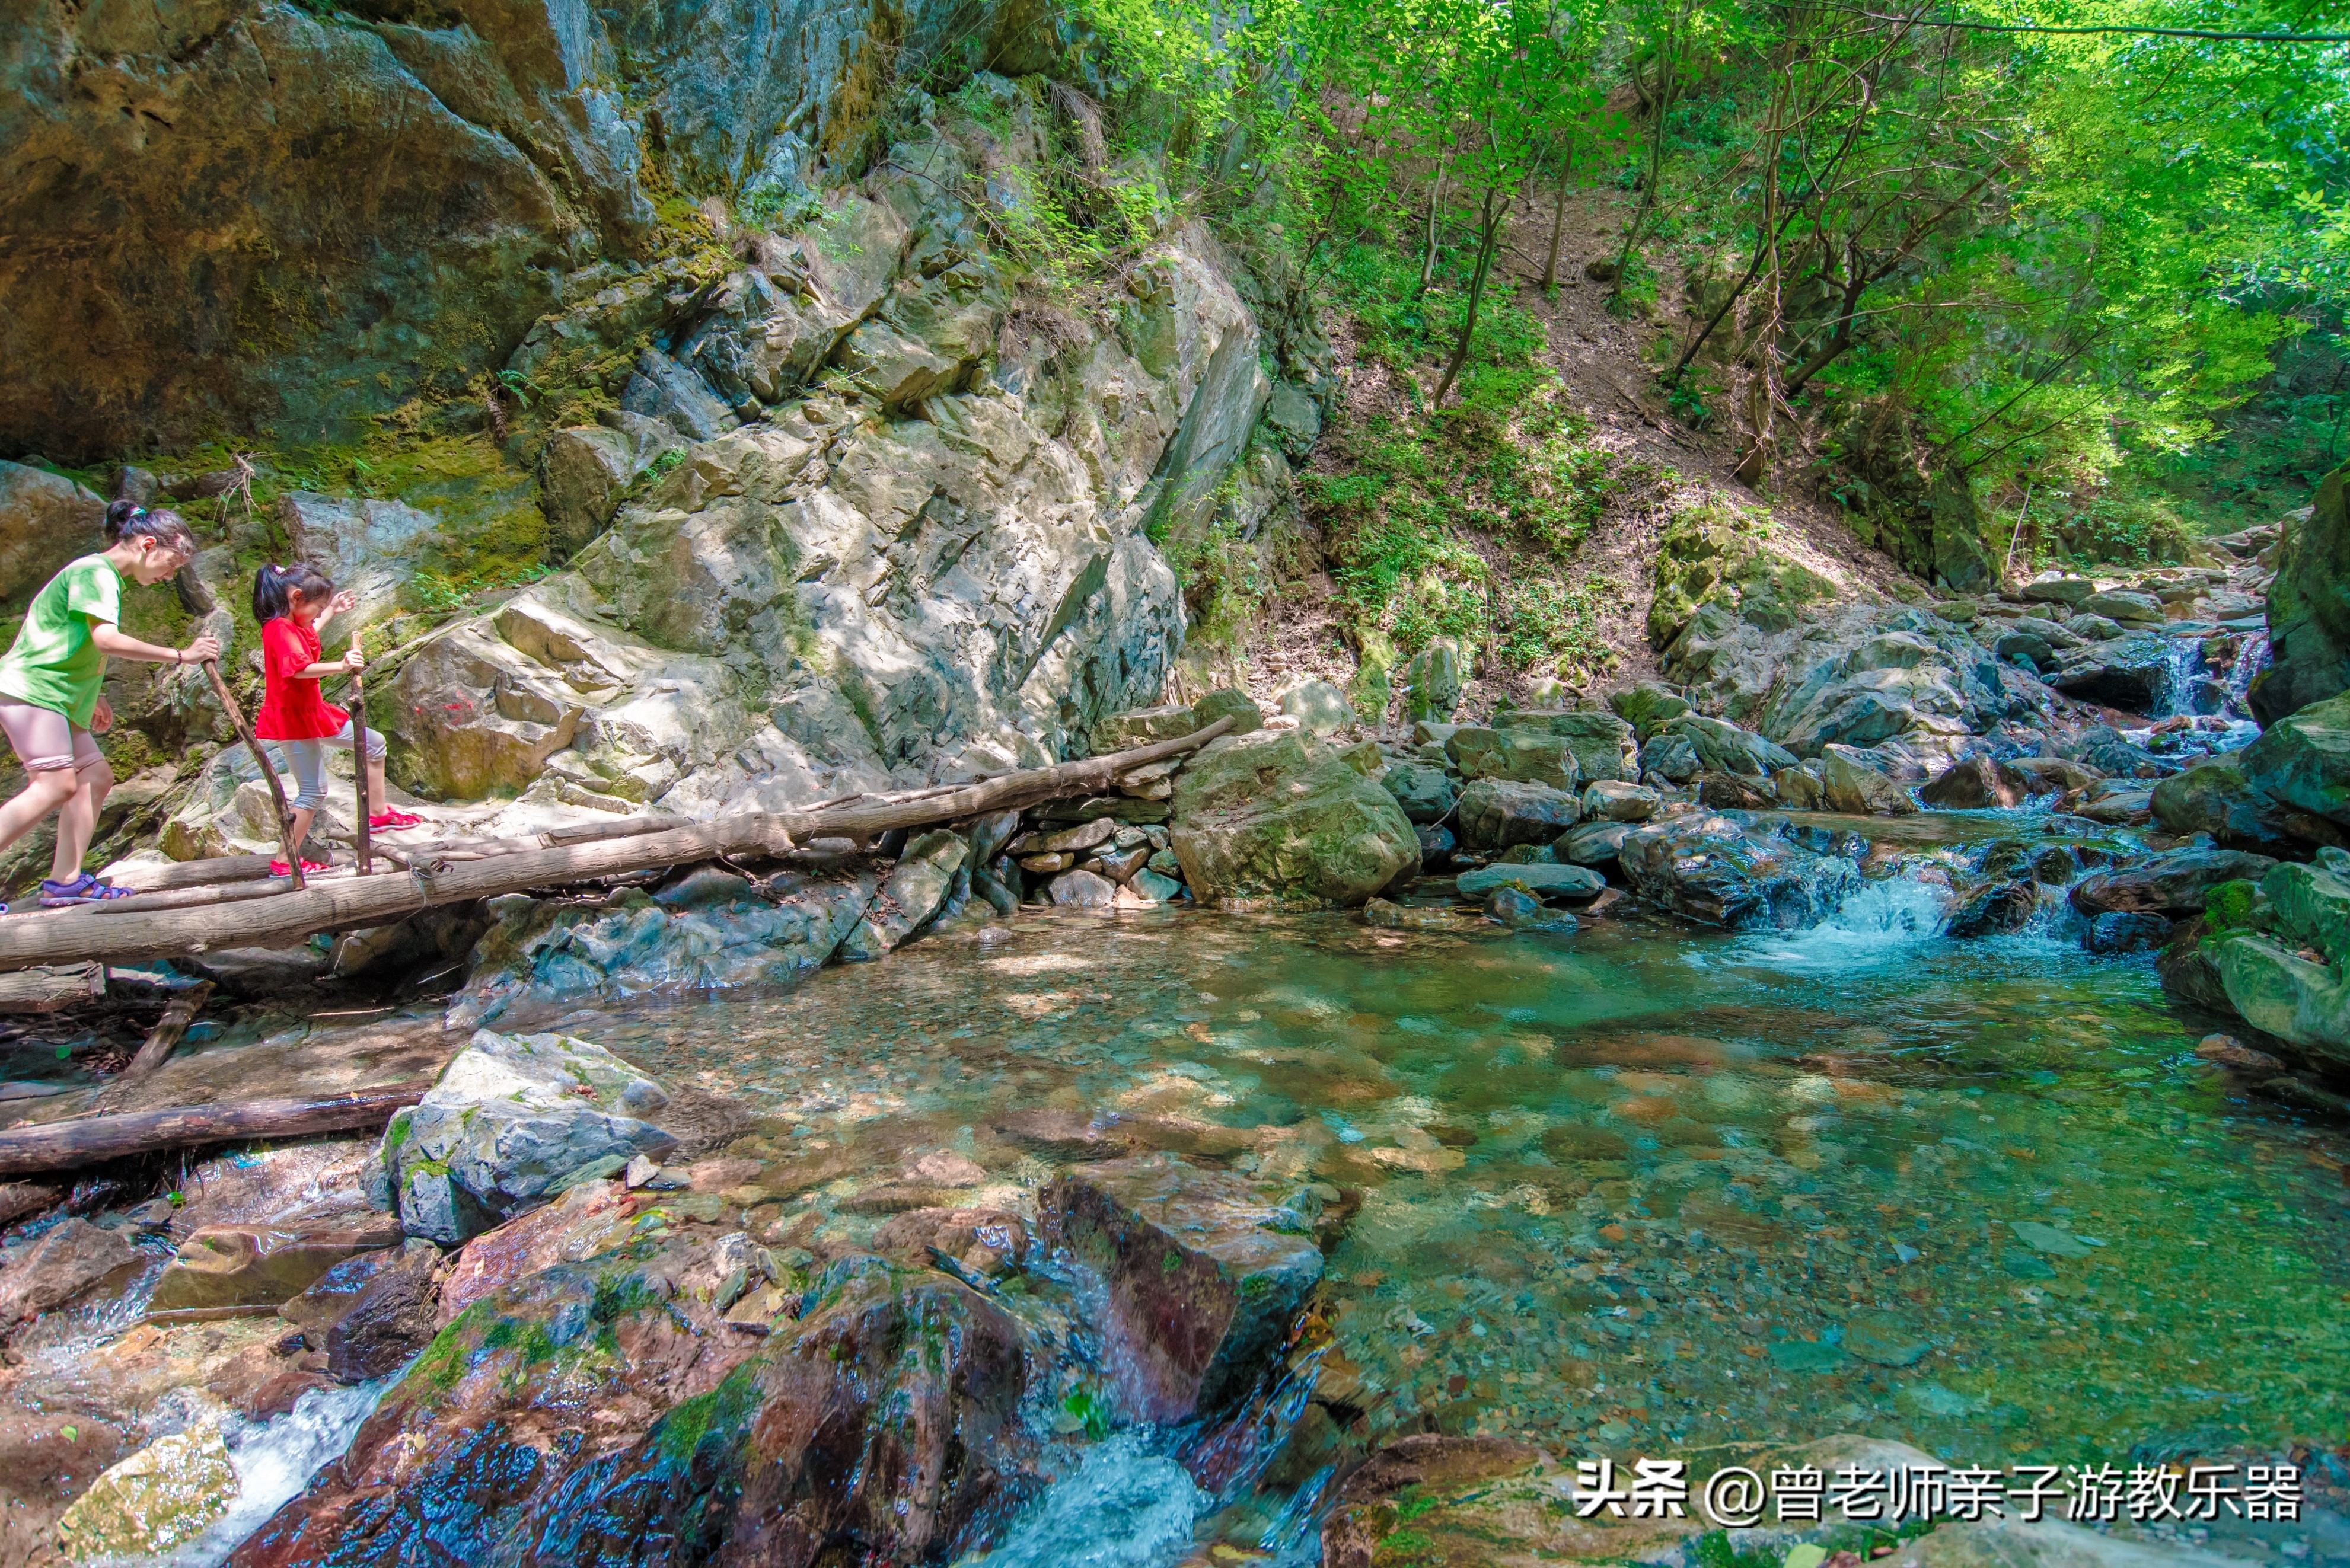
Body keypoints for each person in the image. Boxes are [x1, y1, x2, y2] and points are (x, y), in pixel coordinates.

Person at [0, 503, 221, 908]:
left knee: (96, 775)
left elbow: (75, 639)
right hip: (34, 690)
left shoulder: (104, 576)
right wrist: (181, 655)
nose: (169, 576)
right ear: (148, 545)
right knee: (55, 784)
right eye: (171, 565)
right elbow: (106, 639)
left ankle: (65, 882)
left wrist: (94, 693)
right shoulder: (95, 572)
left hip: (58, 696)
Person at [251, 562, 422, 876]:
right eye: (317, 607)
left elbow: (306, 636)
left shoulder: (290, 626)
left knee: (374, 744)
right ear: (297, 598)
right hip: (293, 719)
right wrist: (341, 666)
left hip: (312, 711)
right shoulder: (278, 628)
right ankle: (284, 862)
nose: (318, 614)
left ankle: (378, 814)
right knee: (313, 791)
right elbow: (298, 669)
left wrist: (331, 610)